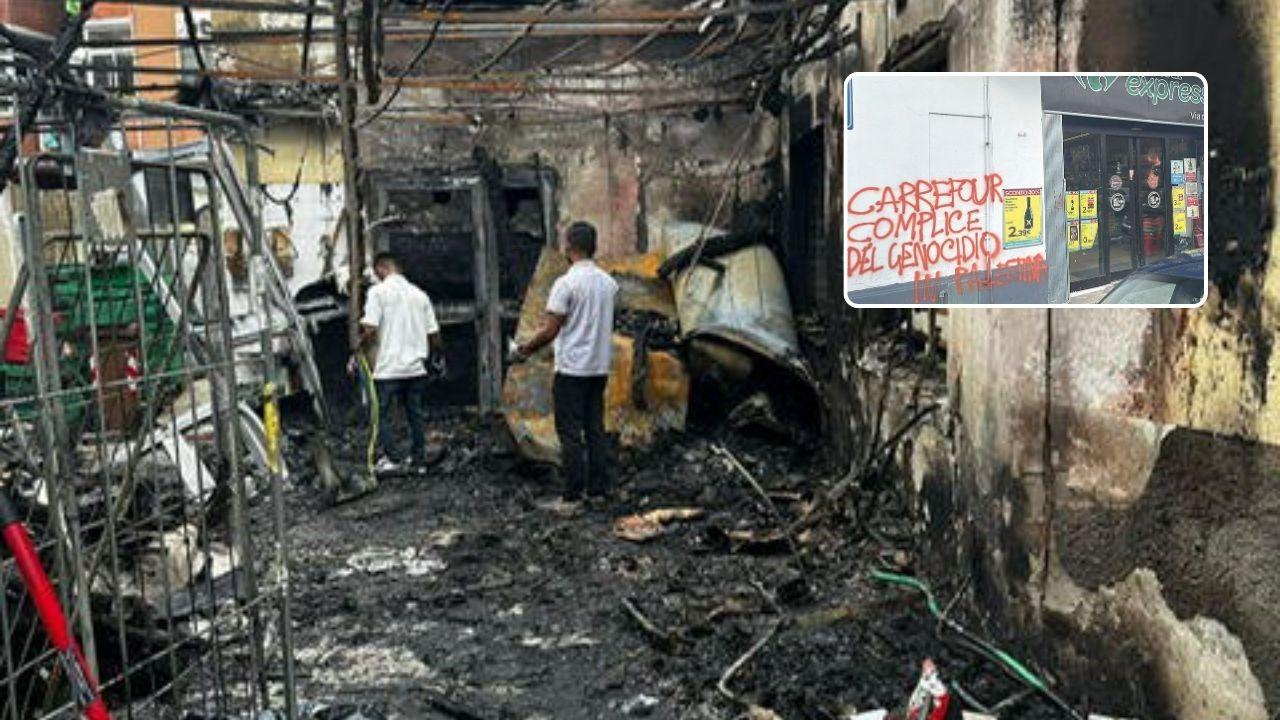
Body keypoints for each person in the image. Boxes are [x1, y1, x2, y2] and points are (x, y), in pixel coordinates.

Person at [514, 221, 618, 511]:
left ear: (569, 247)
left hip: (572, 368)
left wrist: (525, 350)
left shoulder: (565, 283)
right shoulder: (609, 284)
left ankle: (573, 494)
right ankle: (598, 490)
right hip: (598, 368)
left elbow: (550, 330)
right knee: (594, 428)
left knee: (570, 432)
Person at [359, 251, 444, 474]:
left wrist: (357, 349)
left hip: (389, 369)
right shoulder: (420, 295)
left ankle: (394, 459)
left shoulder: (377, 292)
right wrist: (437, 357)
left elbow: (370, 328)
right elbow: (434, 335)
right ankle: (418, 459)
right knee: (414, 413)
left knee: (383, 415)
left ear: (381, 269)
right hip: (415, 368)